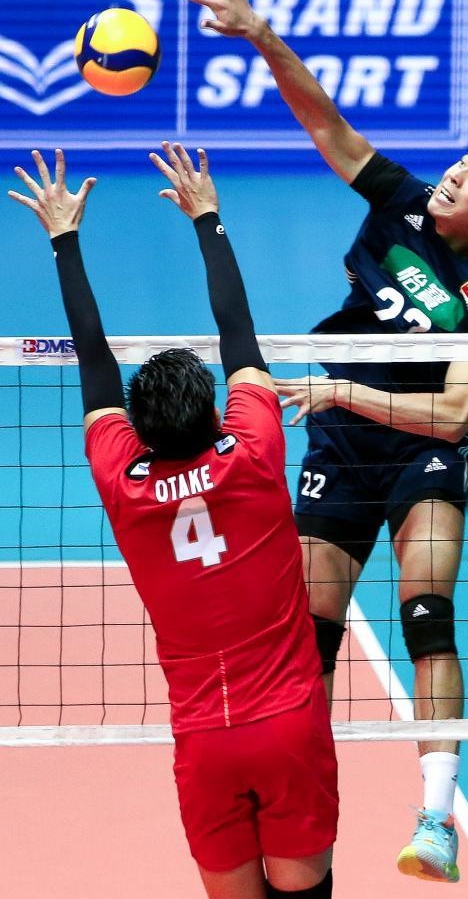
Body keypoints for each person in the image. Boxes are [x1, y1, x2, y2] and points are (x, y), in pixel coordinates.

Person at [176, 0, 468, 884]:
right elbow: (325, 122)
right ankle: (301, 794)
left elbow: (454, 414)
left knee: (427, 612)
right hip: (340, 442)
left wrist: (343, 391)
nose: (456, 174)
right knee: (309, 637)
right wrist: (258, 32)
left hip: (416, 445)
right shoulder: (401, 201)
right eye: (461, 160)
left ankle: (436, 818)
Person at [8, 144, 338, 899]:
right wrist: (207, 218)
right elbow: (238, 333)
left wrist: (63, 238)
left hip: (204, 744)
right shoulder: (253, 451)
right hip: (289, 726)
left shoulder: (123, 483)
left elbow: (94, 364)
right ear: (215, 412)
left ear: (140, 431)